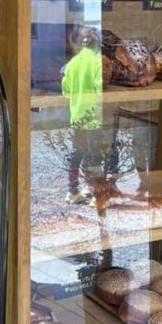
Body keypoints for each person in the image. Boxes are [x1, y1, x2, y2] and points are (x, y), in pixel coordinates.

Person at [61, 27, 105, 203]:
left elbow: (66, 92)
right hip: (94, 118)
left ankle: (72, 192)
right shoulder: (97, 62)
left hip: (77, 116)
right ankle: (95, 194)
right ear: (98, 44)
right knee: (94, 156)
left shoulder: (72, 64)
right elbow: (100, 91)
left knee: (76, 154)